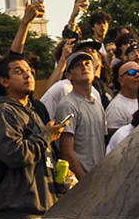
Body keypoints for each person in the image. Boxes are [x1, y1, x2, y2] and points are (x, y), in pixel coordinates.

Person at [0, 54, 64, 219]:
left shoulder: (34, 112)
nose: (28, 75)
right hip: (18, 215)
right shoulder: (4, 112)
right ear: (4, 81)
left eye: (29, 70)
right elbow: (14, 154)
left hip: (44, 211)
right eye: (19, 72)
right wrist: (46, 137)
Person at [45, 48, 108, 182]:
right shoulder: (68, 105)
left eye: (87, 63)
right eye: (77, 65)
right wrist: (85, 182)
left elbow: (101, 144)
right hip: (82, 184)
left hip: (99, 178)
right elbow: (66, 153)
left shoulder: (98, 104)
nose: (84, 67)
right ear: (68, 75)